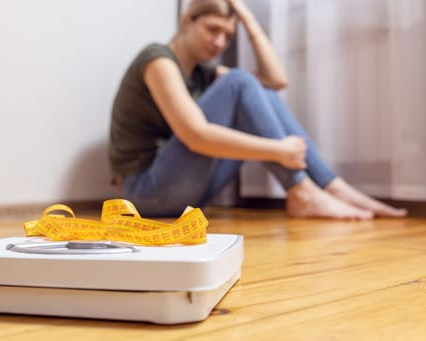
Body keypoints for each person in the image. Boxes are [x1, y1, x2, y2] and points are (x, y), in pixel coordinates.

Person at [109, 0, 407, 219]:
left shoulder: (202, 73)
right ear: (187, 21)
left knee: (257, 89)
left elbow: (276, 81)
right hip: (146, 193)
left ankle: (332, 187)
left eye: (227, 36)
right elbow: (195, 136)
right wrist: (279, 150)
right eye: (213, 30)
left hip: (188, 193)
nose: (219, 42)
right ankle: (302, 192)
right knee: (239, 81)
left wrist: (248, 19)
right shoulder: (158, 60)